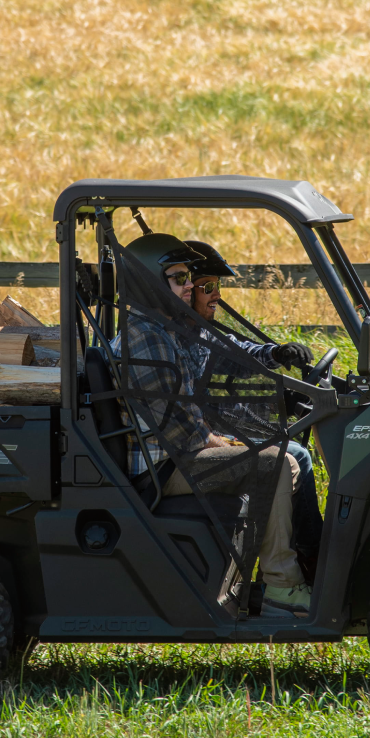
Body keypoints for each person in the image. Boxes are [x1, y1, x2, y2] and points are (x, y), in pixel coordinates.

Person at [115, 232, 311, 617]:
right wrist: (238, 447)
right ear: (149, 283)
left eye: (190, 278)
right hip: (161, 468)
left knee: (276, 455)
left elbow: (227, 359)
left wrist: (275, 356)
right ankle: (282, 587)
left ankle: (283, 573)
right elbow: (184, 434)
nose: (190, 286)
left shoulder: (162, 328)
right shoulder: (146, 339)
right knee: (276, 463)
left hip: (174, 455)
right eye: (179, 278)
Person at [183, 239, 325, 581]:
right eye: (208, 287)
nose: (216, 295)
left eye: (217, 286)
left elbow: (238, 354)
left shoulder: (199, 333)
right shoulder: (177, 338)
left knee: (297, 452)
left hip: (208, 433)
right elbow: (189, 415)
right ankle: (312, 557)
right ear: (186, 292)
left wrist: (276, 354)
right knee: (294, 455)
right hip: (200, 442)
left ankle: (306, 552)